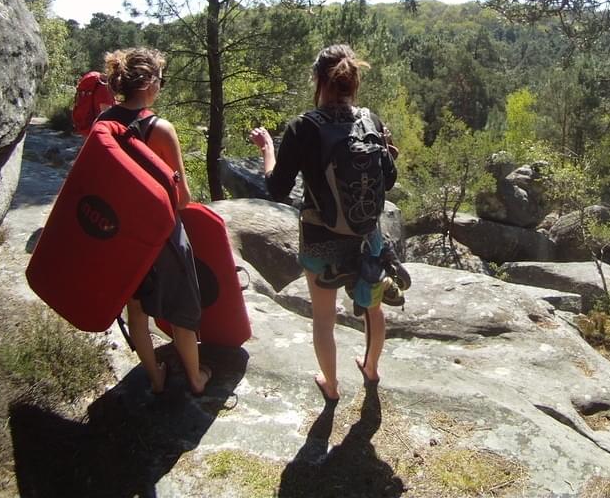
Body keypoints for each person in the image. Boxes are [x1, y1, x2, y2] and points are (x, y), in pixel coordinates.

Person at [248, 44, 399, 403]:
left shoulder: (303, 127)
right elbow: (389, 180)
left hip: (321, 237)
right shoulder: (371, 121)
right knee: (373, 308)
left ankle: (331, 386)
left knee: (323, 318)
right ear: (353, 82)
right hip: (367, 236)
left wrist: (268, 150)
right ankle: (371, 368)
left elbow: (277, 188)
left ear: (318, 79)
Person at [100, 48, 211, 396]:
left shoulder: (103, 126)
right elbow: (183, 198)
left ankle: (155, 377)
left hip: (121, 235)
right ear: (149, 83)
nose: (161, 86)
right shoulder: (159, 129)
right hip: (161, 237)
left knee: (136, 308)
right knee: (182, 310)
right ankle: (195, 378)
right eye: (160, 79)